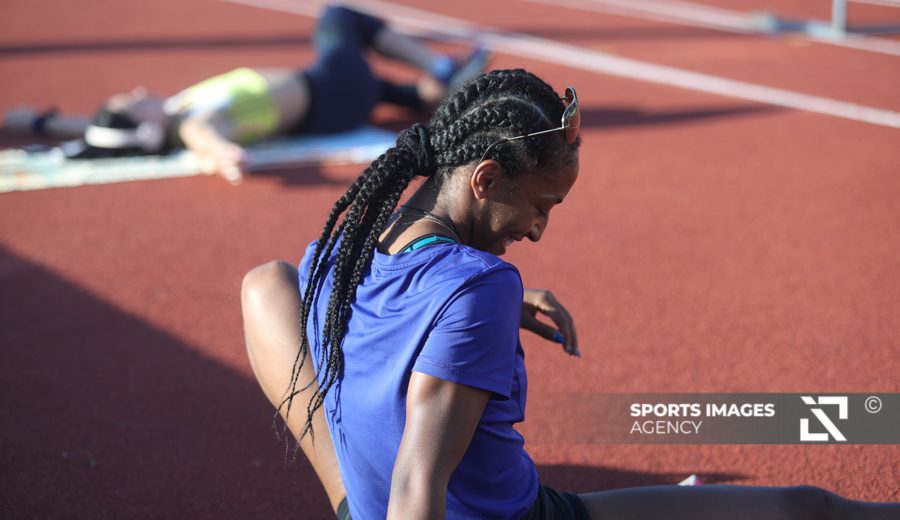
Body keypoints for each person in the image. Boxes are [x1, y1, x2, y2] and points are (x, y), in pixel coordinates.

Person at [241, 69, 899, 519]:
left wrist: (483, 310)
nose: (538, 231)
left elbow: (390, 304)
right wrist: (484, 302)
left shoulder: (346, 249)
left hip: (364, 503)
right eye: (542, 206)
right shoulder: (481, 287)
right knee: (808, 509)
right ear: (485, 179)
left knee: (268, 285)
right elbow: (417, 488)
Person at [2, 5, 489, 184]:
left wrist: (39, 123)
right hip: (331, 90)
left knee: (394, 92)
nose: (139, 90)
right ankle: (441, 68)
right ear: (146, 127)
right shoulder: (189, 123)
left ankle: (435, 93)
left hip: (327, 104)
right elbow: (203, 134)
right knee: (340, 17)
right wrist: (225, 155)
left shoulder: (167, 114)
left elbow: (95, 130)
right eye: (133, 101)